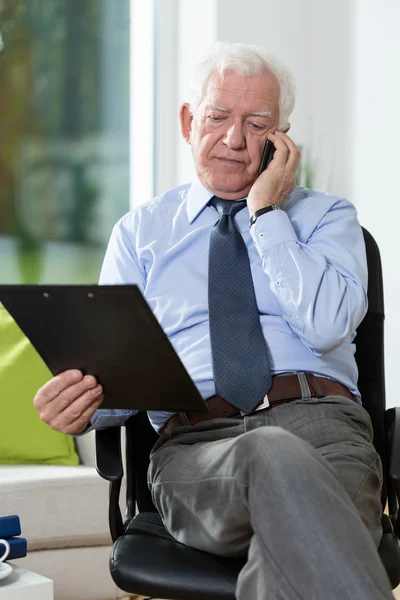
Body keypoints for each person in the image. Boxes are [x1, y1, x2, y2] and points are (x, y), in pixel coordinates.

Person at [33, 42, 394, 599]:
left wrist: (268, 214)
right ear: (187, 121)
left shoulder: (328, 219)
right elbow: (117, 377)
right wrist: (81, 404)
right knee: (271, 464)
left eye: (257, 124)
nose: (233, 139)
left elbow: (327, 327)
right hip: (197, 449)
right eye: (218, 116)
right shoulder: (140, 235)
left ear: (282, 139)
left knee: (285, 550)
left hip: (324, 431)